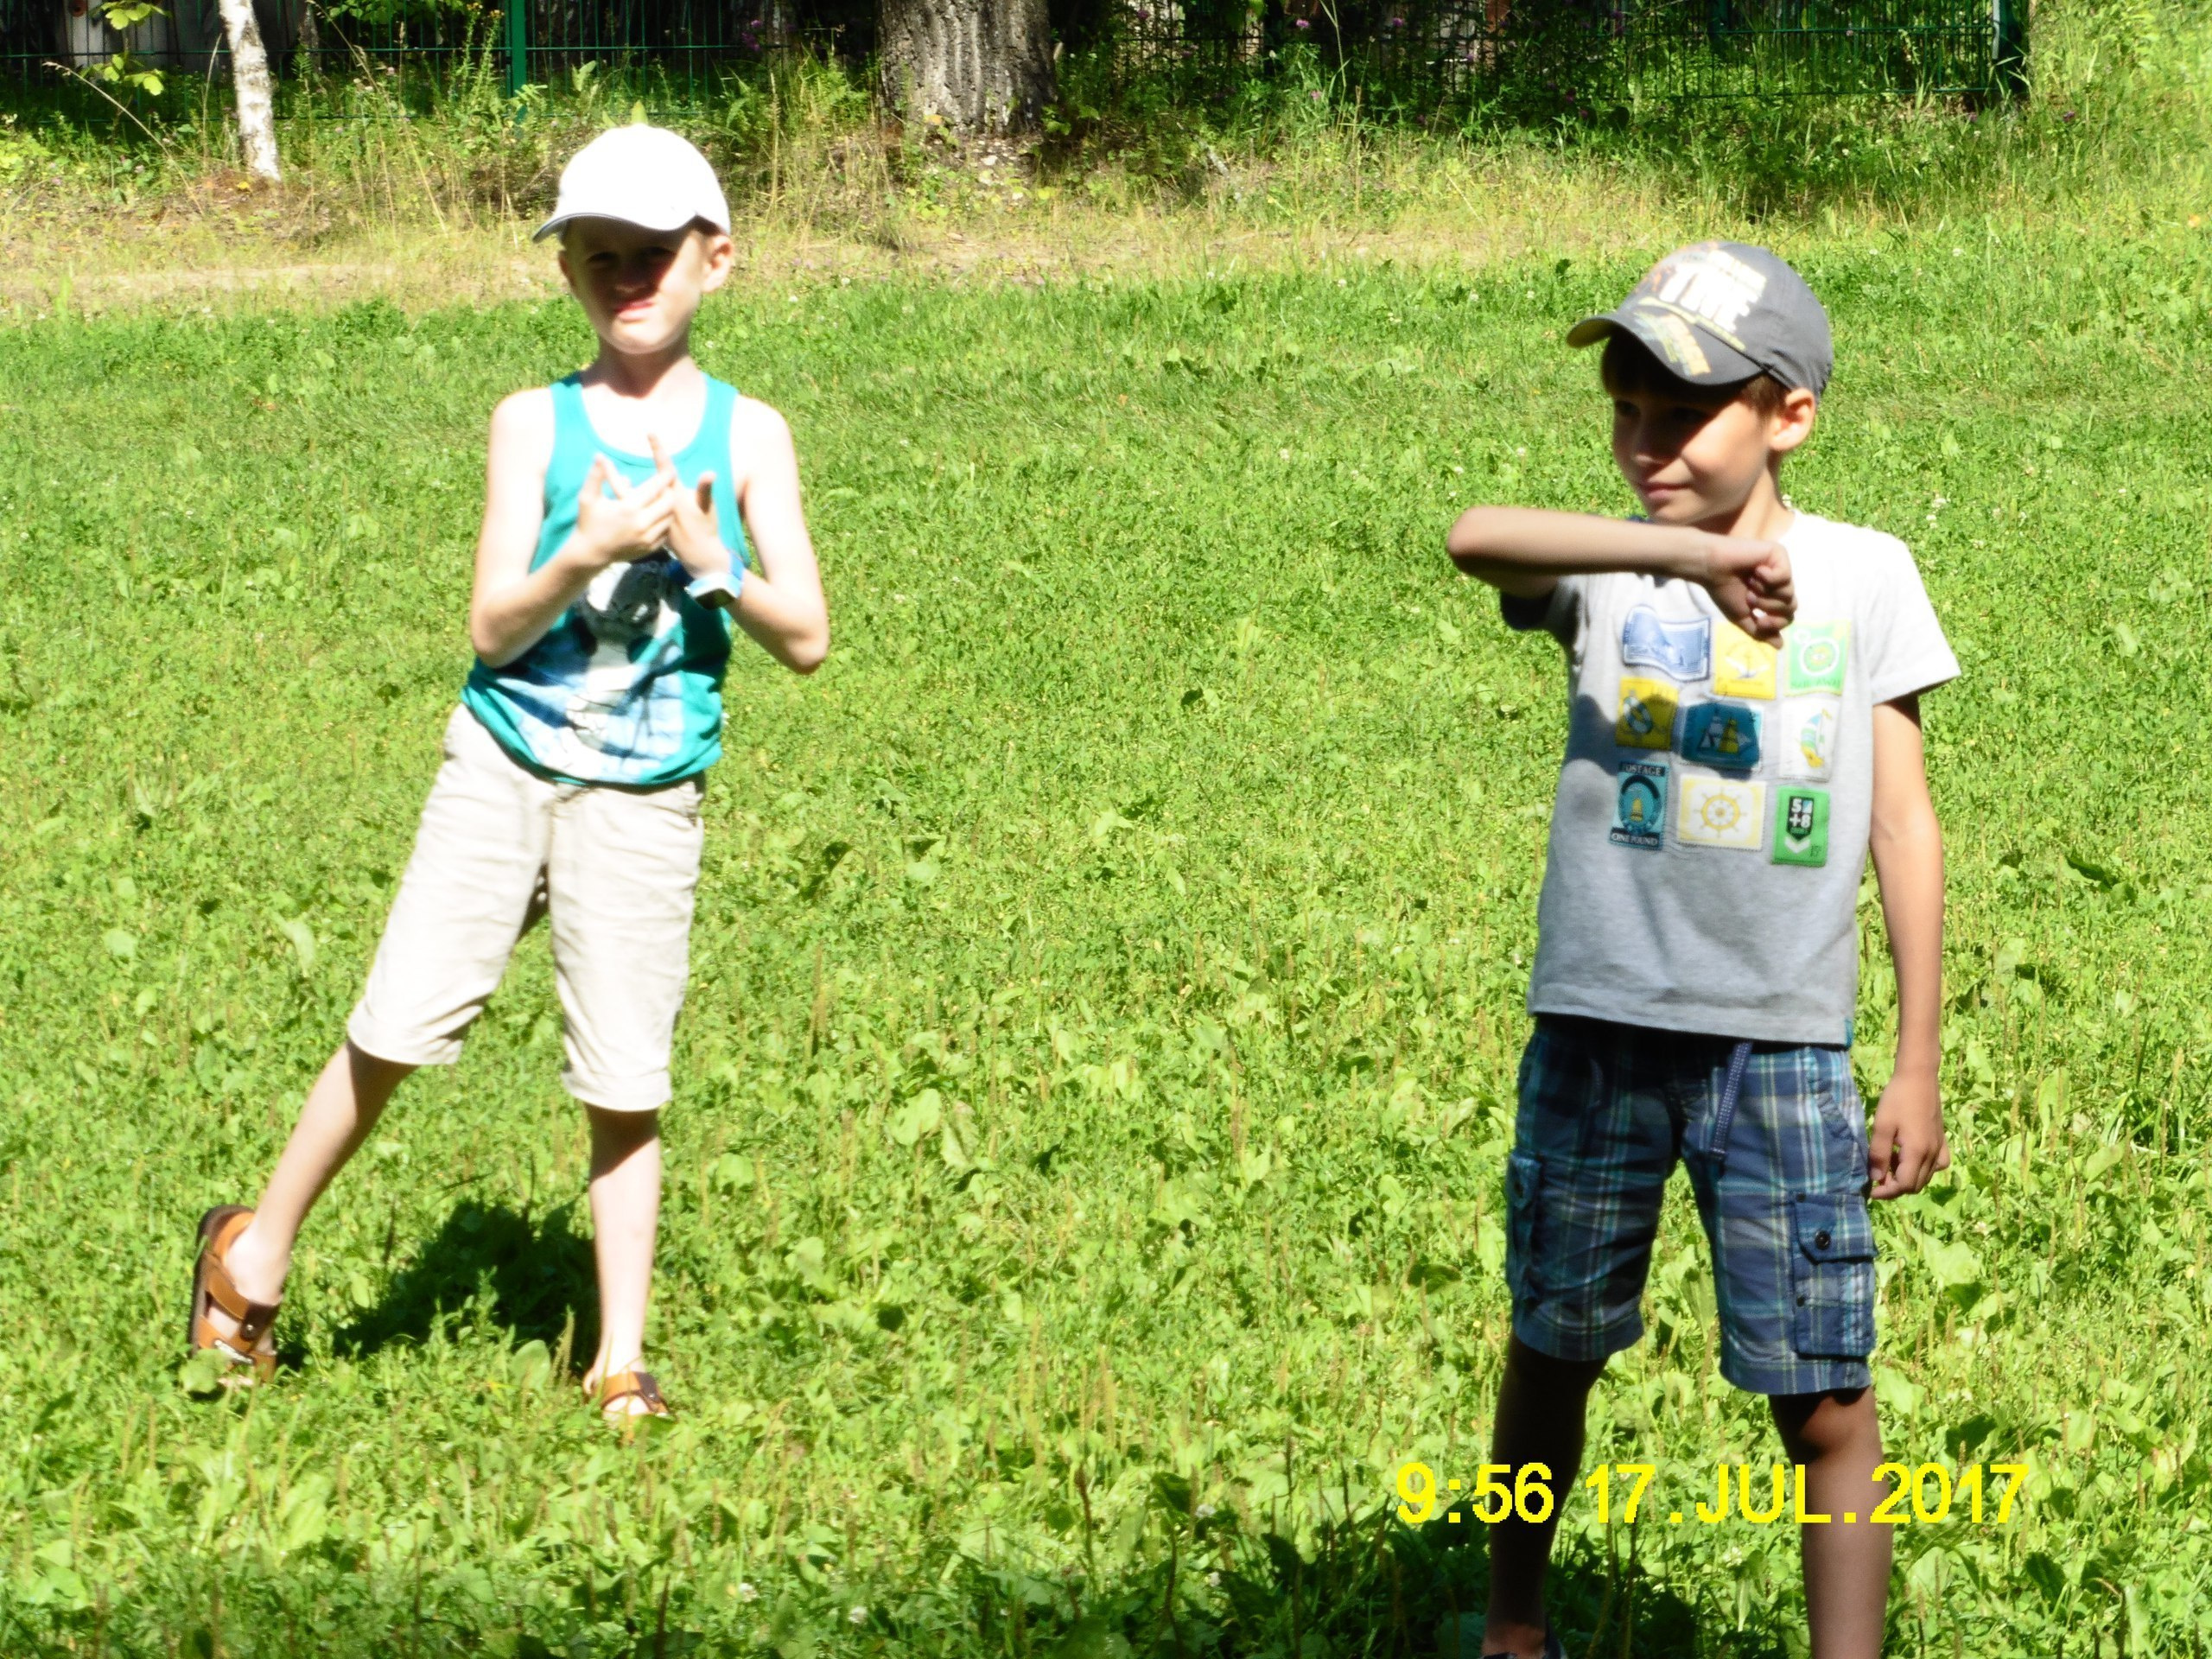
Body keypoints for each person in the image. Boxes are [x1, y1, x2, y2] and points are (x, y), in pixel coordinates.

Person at [188, 124, 830, 1421]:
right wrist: (583, 551)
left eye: (653, 254)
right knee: (399, 1023)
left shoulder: (751, 435)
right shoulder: (532, 424)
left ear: (718, 260)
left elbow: (807, 638)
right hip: (505, 764)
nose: (627, 277)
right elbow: (491, 627)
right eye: (600, 256)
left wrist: (712, 563)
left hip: (646, 792)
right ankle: (251, 1257)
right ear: (566, 271)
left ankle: (620, 1359)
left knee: (625, 1079)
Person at [1445, 242, 1955, 1659]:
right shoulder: (1610, 569)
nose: (1646, 445)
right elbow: (1473, 535)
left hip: (1783, 1043)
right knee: (1553, 1345)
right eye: (1626, 411)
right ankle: (1513, 1627)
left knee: (1827, 1395)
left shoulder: (1867, 575)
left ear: (1790, 414)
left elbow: (1902, 821)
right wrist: (1690, 555)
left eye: (1684, 415)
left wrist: (1914, 1059)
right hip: (1600, 1026)